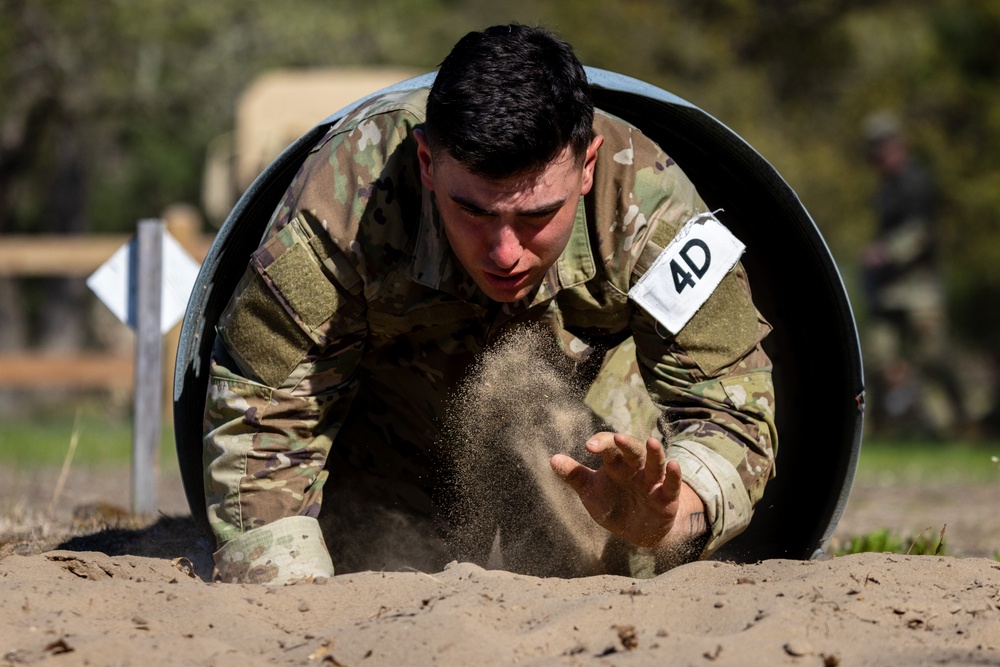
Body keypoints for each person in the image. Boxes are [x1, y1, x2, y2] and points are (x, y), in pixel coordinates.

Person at [202, 24, 777, 584]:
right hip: (378, 467)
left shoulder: (651, 210)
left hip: (587, 466)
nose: (505, 252)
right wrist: (286, 589)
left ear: (588, 167)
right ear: (427, 164)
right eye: (474, 212)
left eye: (536, 216)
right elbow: (263, 406)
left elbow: (732, 402)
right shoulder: (347, 198)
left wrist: (675, 516)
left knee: (626, 545)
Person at [861, 111, 966, 438]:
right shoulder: (885, 190)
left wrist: (887, 252)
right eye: (875, 149)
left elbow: (922, 234)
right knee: (878, 357)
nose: (880, 154)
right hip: (889, 289)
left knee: (934, 356)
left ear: (897, 145)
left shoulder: (917, 181)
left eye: (885, 146)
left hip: (920, 287)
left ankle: (957, 420)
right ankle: (873, 430)